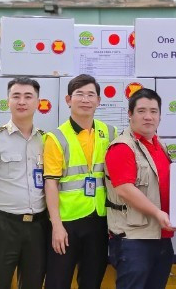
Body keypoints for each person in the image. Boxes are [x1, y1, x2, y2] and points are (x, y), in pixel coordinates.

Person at [43, 74, 116, 289]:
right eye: (79, 94)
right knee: (58, 281)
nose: (85, 100)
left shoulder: (109, 132)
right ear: (68, 100)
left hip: (99, 219)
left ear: (99, 101)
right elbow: (51, 183)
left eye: (91, 95)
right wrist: (56, 225)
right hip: (67, 222)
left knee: (92, 281)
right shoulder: (56, 137)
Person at [0, 77, 48, 289]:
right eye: (16, 96)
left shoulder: (46, 140)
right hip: (3, 225)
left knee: (33, 284)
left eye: (28, 97)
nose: (22, 101)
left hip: (38, 226)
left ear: (38, 102)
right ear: (7, 101)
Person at [104, 88, 175, 289]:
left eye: (153, 111)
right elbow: (125, 189)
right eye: (142, 111)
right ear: (130, 114)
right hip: (134, 240)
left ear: (160, 115)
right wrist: (157, 213)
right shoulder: (122, 147)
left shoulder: (158, 145)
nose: (148, 117)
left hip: (160, 236)